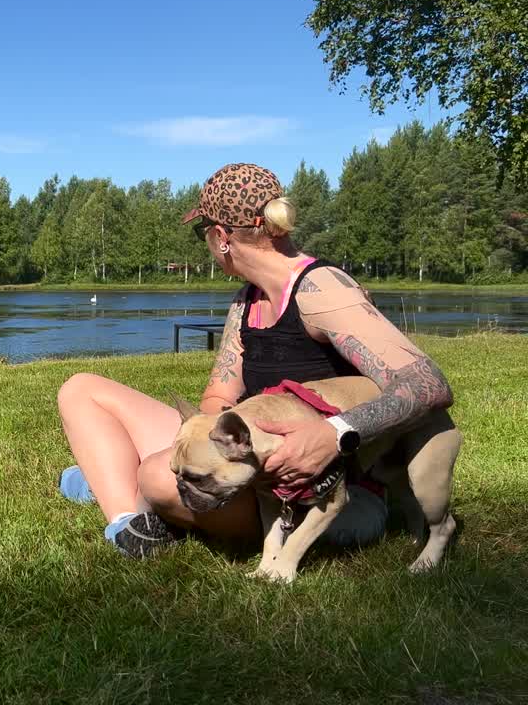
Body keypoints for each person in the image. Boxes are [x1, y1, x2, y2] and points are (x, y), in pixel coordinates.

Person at [56, 163, 455, 557]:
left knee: (158, 478)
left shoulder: (322, 290)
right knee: (82, 391)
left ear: (220, 236)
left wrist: (333, 433)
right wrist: (206, 440)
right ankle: (128, 522)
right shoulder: (248, 299)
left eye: (202, 233)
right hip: (246, 453)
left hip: (317, 488)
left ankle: (127, 484)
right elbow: (218, 395)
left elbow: (429, 385)